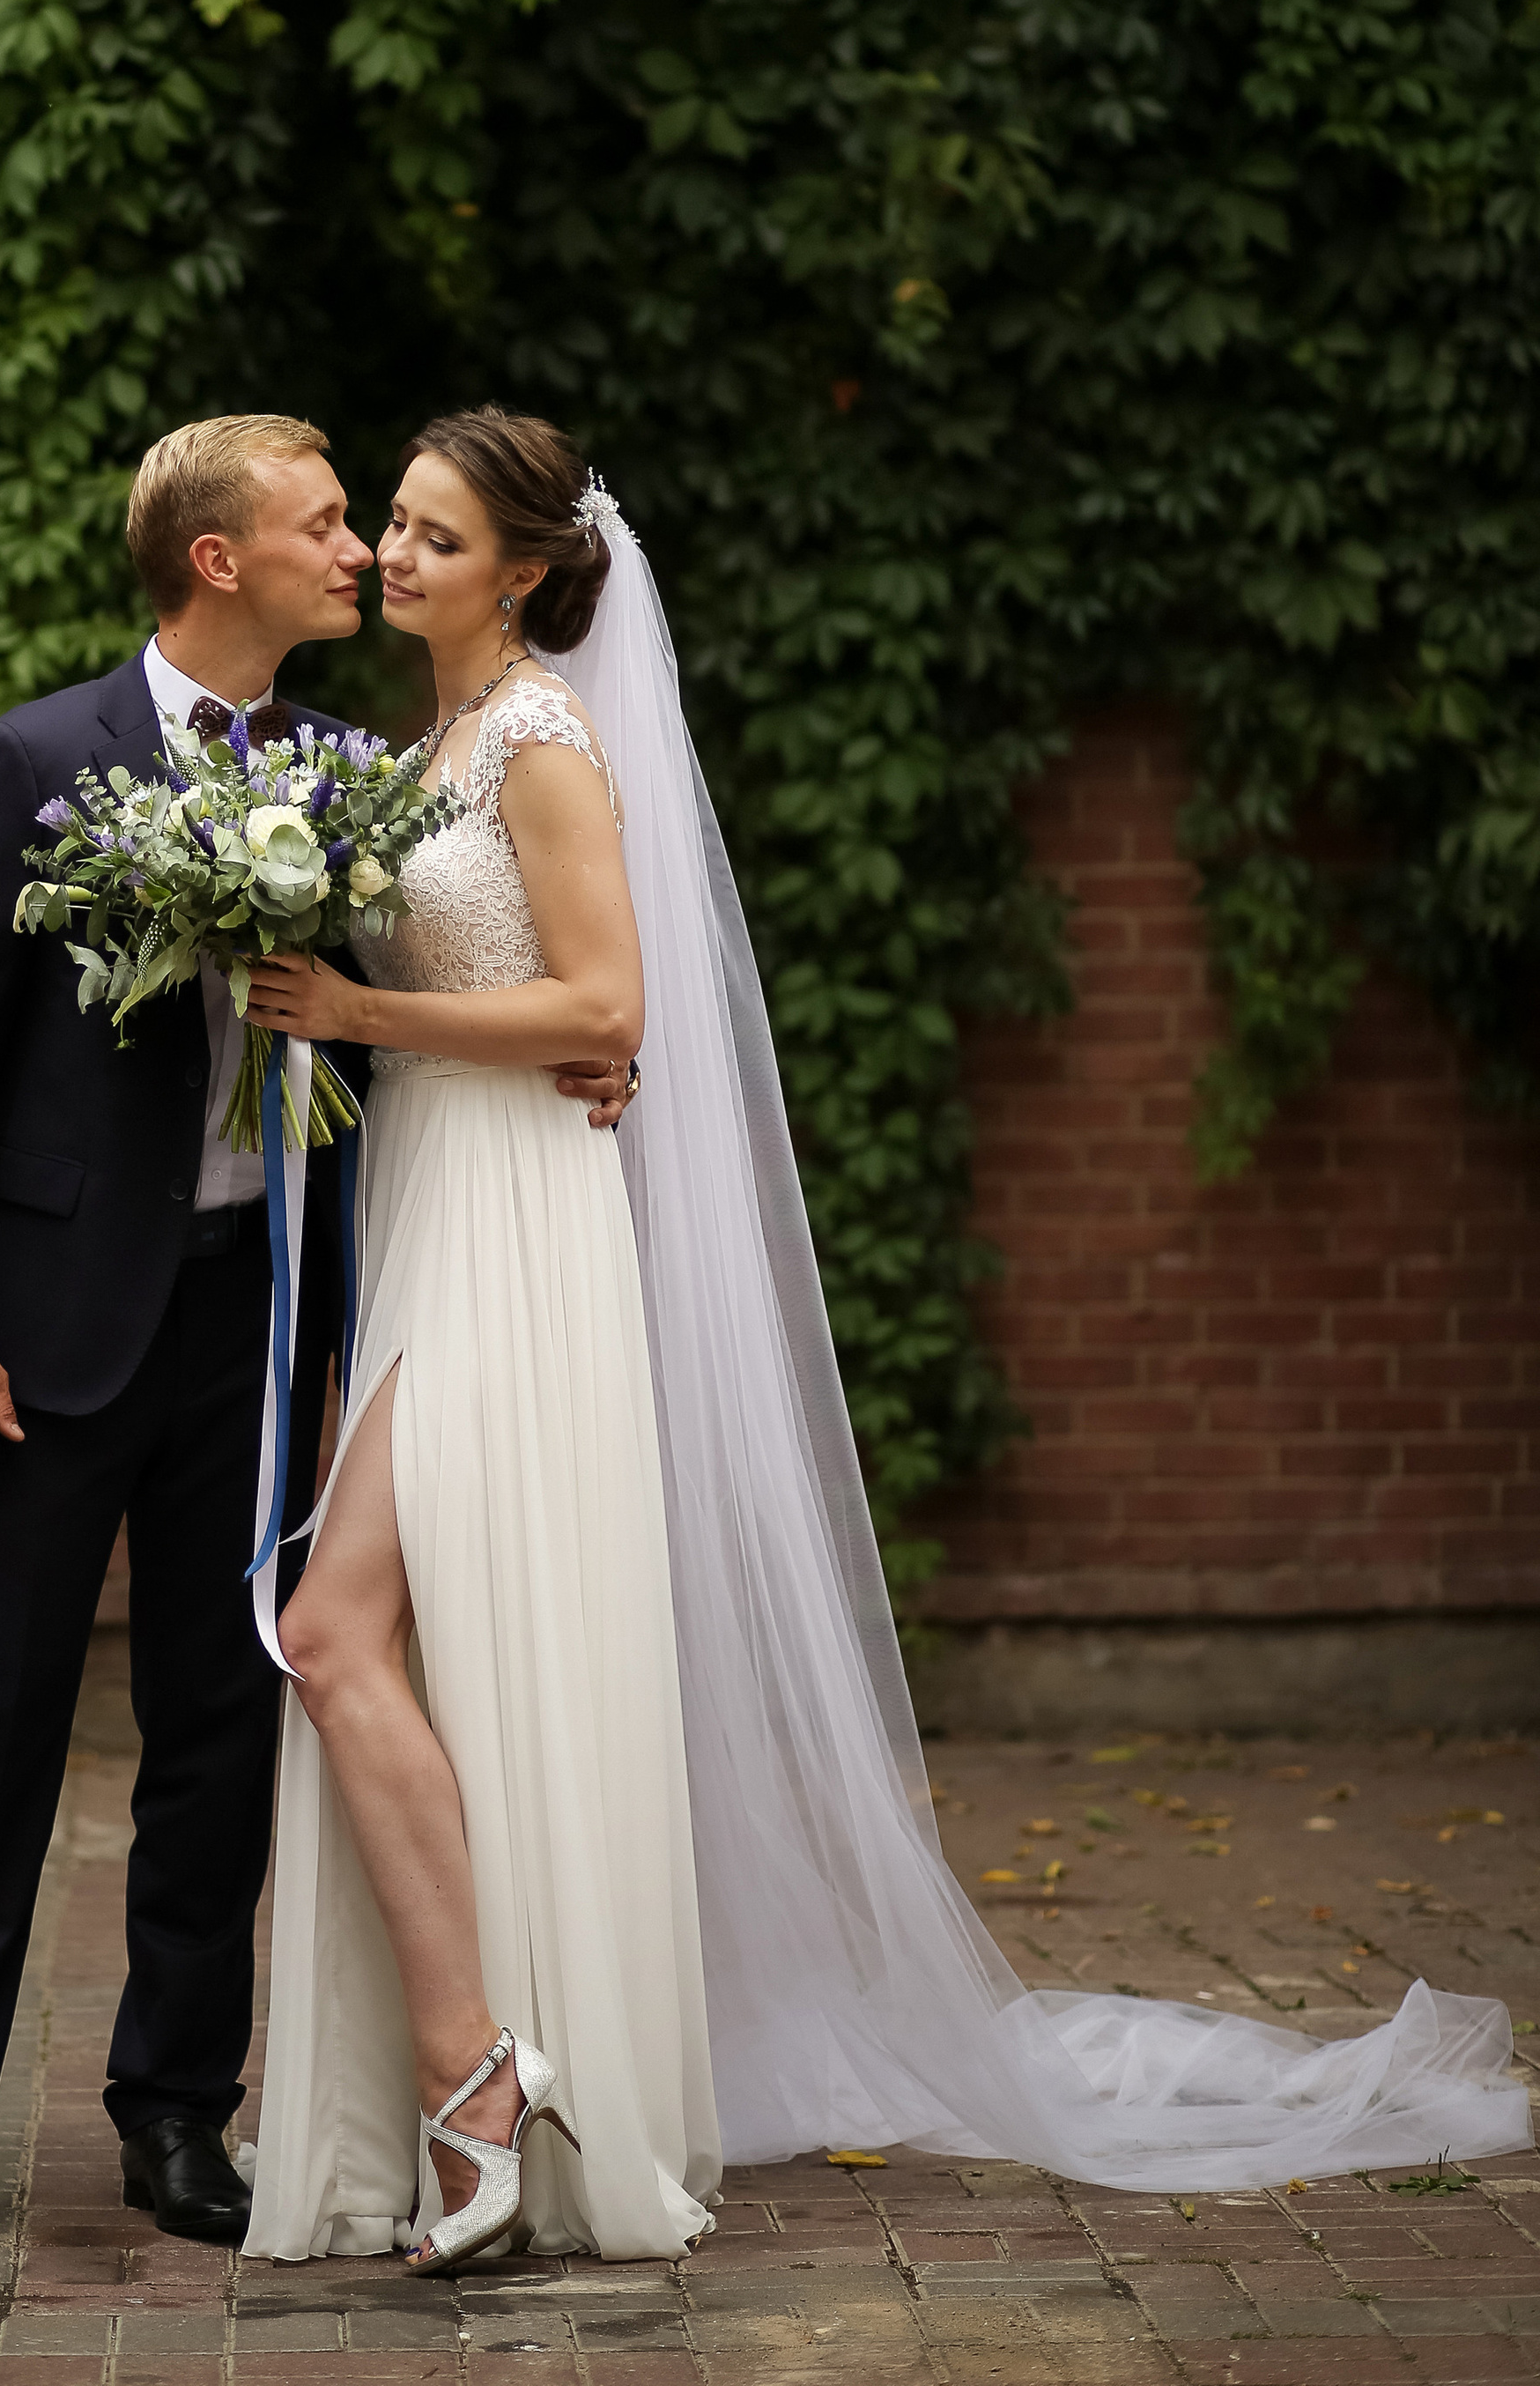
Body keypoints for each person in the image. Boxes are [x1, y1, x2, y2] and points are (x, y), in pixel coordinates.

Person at [241, 404, 1532, 2271]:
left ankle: (479, 2073)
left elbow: (607, 1001)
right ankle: (468, 2080)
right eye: (397, 529)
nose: (397, 558)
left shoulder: (536, 738)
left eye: (435, 537)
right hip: (429, 1207)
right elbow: (538, 1002)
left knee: (329, 1626)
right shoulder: (417, 745)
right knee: (408, 1645)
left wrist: (359, 1007)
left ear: (522, 570)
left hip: (517, 1229)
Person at [0, 414, 631, 2266]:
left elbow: (473, 966)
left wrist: (596, 1038)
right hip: (39, 1330)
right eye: (325, 522)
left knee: (214, 1729)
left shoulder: (364, 773)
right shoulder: (36, 756)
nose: (356, 549)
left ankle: (174, 2113)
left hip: (255, 1319)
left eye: (370, 522)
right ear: (216, 559)